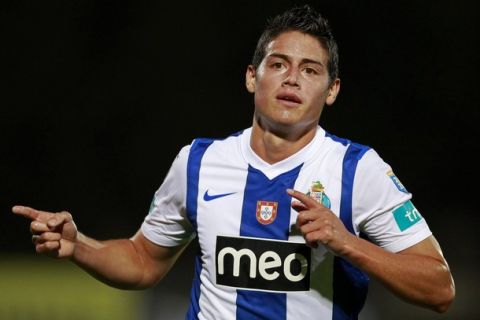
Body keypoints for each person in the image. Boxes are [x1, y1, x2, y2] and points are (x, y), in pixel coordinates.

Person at [13, 4, 455, 319]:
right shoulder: (199, 161)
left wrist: (347, 244)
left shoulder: (359, 171)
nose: (292, 79)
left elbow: (439, 288)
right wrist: (79, 247)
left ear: (332, 90)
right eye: (278, 64)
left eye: (310, 70)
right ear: (252, 76)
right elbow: (143, 260)